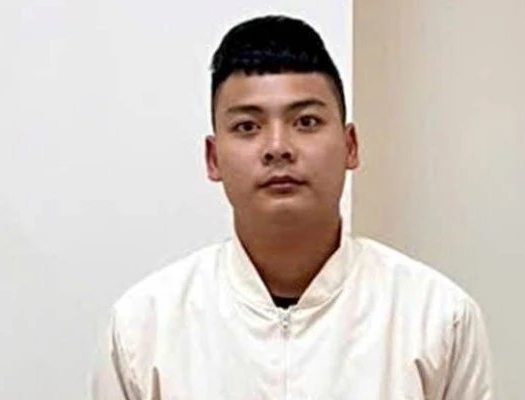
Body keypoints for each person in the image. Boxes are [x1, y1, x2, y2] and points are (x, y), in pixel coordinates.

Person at [90, 15, 494, 400]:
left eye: (306, 122)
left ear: (350, 146)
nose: (278, 147)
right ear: (213, 158)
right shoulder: (144, 327)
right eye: (247, 126)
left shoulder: (437, 319)